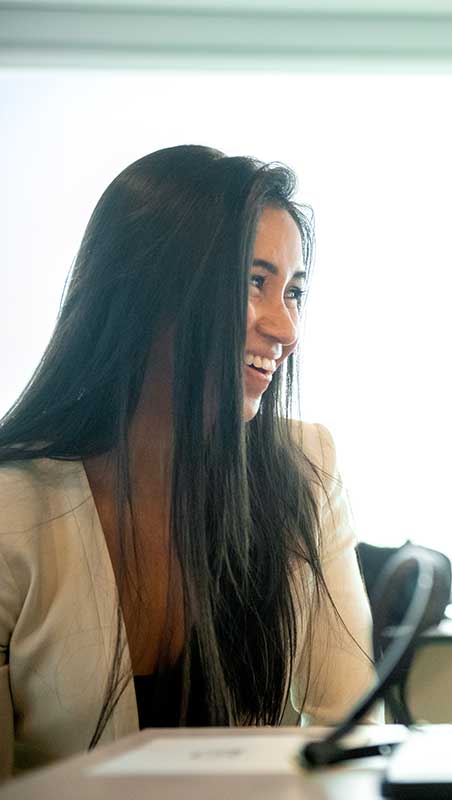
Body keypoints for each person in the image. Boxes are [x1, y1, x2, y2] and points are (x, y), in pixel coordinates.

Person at [0, 146, 379, 775]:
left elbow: (353, 728)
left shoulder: (306, 467)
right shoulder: (15, 506)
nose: (286, 329)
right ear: (151, 289)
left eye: (294, 292)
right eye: (255, 283)